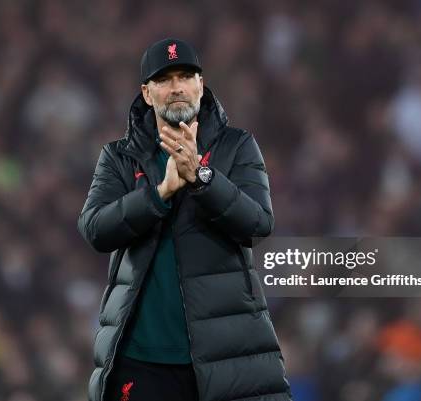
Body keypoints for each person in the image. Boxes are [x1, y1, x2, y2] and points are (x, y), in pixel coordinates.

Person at [78, 38, 293, 401]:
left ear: (201, 85)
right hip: (141, 358)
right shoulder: (119, 157)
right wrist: (158, 194)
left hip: (224, 357)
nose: (176, 87)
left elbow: (258, 224)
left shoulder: (236, 146)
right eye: (164, 80)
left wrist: (202, 177)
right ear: (147, 93)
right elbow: (95, 229)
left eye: (185, 76)